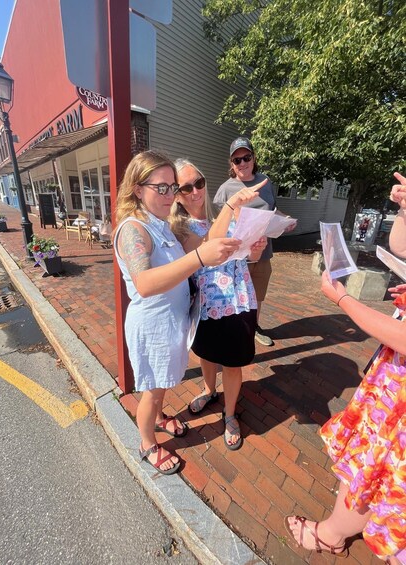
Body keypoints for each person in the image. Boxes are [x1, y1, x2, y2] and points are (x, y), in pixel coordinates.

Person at [285, 173, 406, 564]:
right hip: (395, 378)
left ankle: (330, 535)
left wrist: (342, 300)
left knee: (376, 470)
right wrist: (404, 209)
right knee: (376, 465)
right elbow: (400, 246)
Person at [114, 150, 241, 474]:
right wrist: (199, 258)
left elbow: (207, 241)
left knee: (163, 385)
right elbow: (143, 283)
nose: (170, 195)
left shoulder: (162, 225)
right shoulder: (133, 229)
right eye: (162, 187)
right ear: (138, 189)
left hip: (172, 325)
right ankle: (147, 443)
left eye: (173, 187)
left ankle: (158, 419)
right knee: (152, 392)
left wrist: (232, 218)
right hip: (153, 327)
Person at [170, 158, 267, 450]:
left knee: (233, 363)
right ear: (176, 194)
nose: (196, 192)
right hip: (208, 305)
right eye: (186, 188)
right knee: (208, 355)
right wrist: (231, 206)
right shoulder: (179, 228)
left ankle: (229, 413)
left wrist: (257, 251)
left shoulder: (224, 217)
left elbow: (249, 257)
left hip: (239, 301)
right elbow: (208, 245)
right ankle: (210, 390)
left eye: (199, 183)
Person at [213, 137, 296, 347]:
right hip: (239, 257)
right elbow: (218, 222)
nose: (242, 163)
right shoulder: (226, 189)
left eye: (246, 157)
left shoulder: (265, 182)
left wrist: (285, 220)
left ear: (253, 157)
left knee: (257, 296)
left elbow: (272, 210)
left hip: (264, 252)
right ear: (231, 164)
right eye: (237, 160)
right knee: (237, 297)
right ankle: (234, 331)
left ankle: (254, 328)